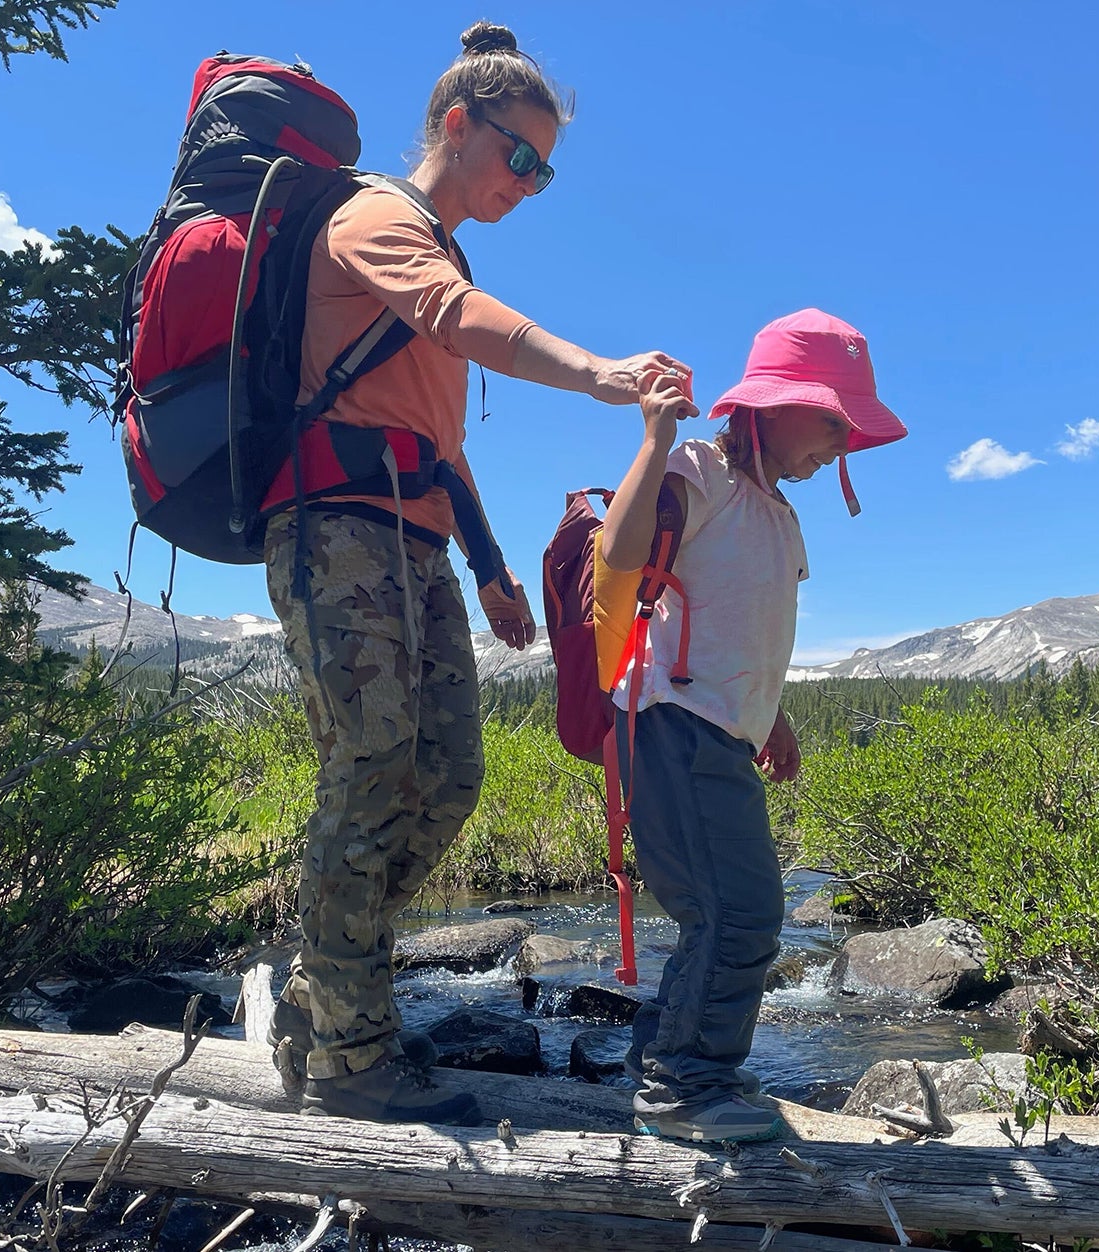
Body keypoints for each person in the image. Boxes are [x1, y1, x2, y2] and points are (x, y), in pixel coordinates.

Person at [265, 22, 691, 1126]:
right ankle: (350, 1057)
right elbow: (461, 324)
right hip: (333, 533)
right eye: (522, 158)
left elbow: (438, 448)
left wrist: (493, 569)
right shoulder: (375, 220)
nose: (532, 184)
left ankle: (323, 977)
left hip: (414, 544)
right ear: (457, 126)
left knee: (447, 775)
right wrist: (598, 372)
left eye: (544, 169)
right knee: (368, 766)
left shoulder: (440, 254)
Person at [600, 309, 907, 1142]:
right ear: (771, 406)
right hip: (671, 725)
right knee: (741, 913)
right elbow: (619, 556)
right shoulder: (697, 469)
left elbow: (749, 628)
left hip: (721, 731)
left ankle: (660, 1056)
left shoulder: (777, 510)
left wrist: (775, 717)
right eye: (831, 420)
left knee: (720, 909)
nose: (839, 442)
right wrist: (654, 442)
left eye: (848, 428)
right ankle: (685, 1087)